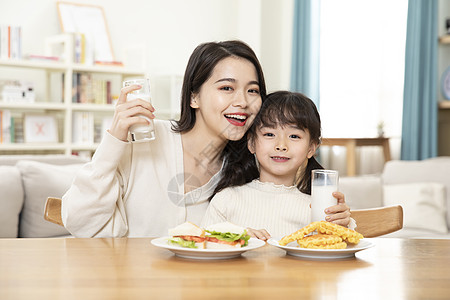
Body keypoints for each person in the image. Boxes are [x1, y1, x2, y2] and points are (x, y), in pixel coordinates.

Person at [61, 40, 267, 238]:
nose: (242, 102)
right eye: (227, 88)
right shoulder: (143, 138)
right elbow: (79, 222)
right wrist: (114, 140)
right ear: (193, 97)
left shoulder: (249, 167)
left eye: (252, 91)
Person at [201, 91, 353, 240]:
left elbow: (338, 252)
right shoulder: (227, 199)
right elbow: (204, 247)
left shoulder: (319, 210)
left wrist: (342, 224)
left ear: (311, 148)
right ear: (252, 142)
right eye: (269, 134)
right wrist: (236, 238)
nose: (281, 145)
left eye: (294, 136)